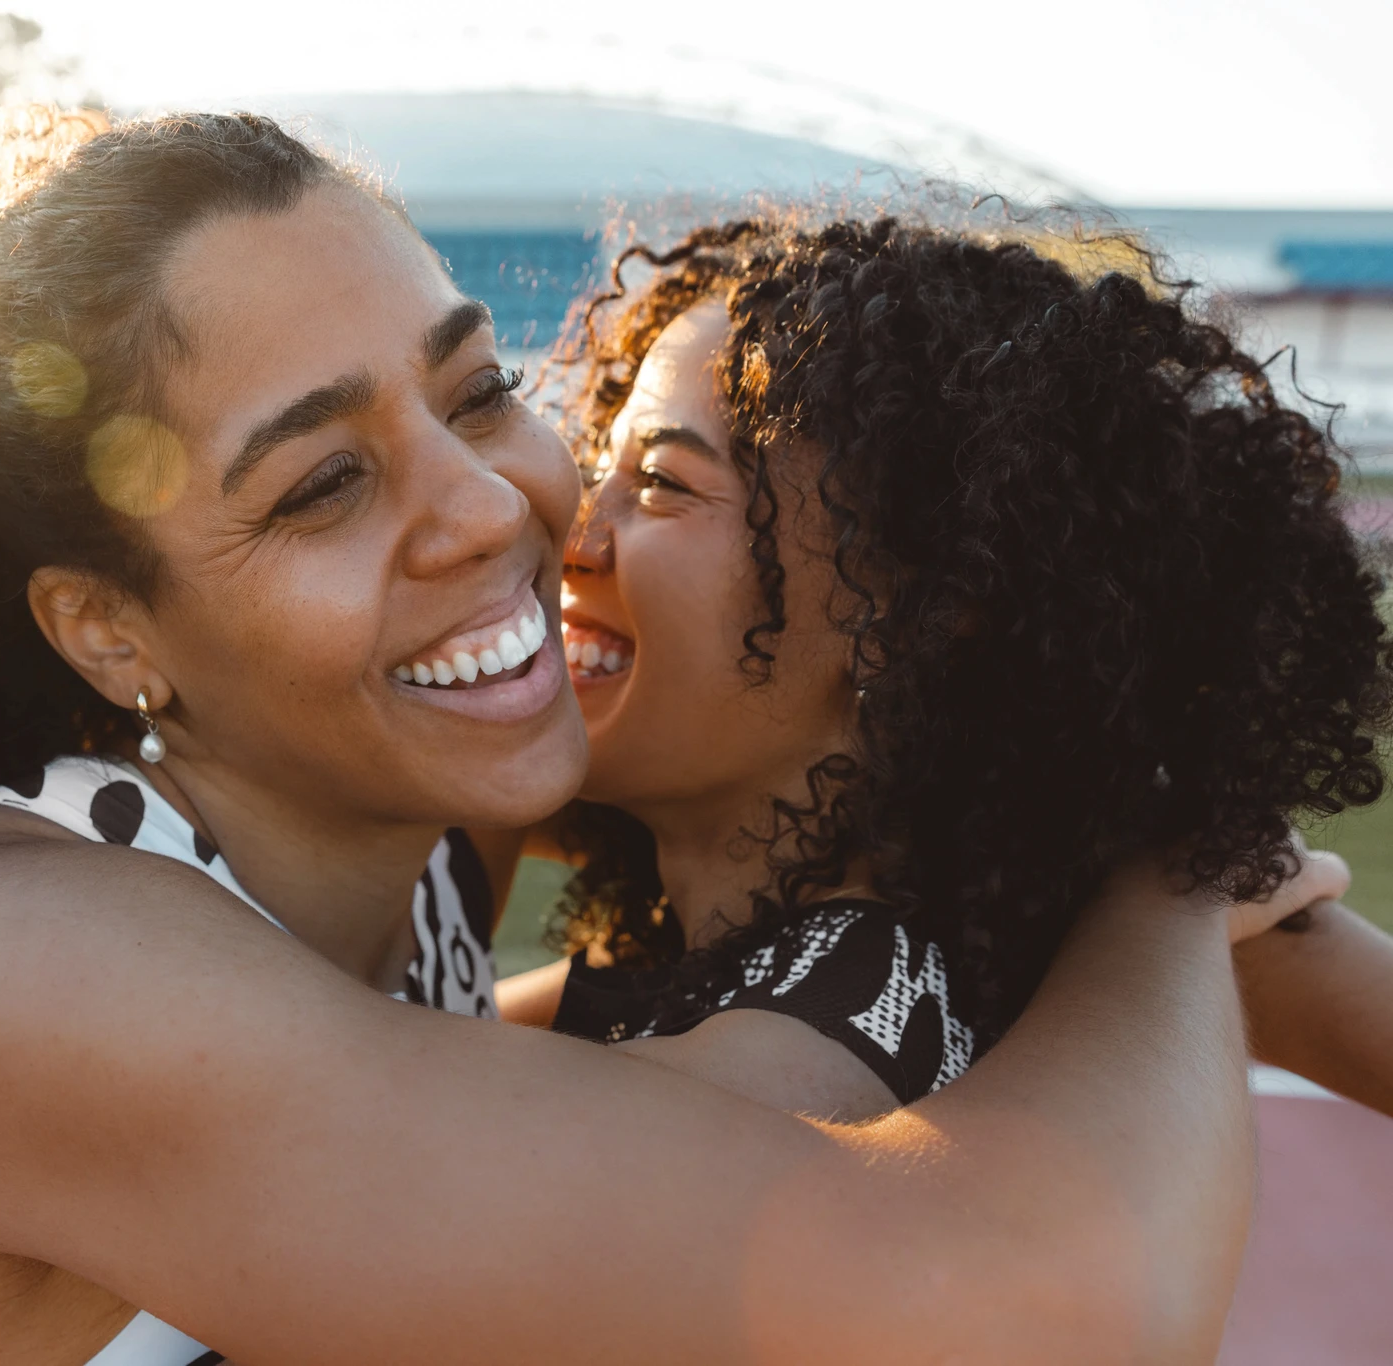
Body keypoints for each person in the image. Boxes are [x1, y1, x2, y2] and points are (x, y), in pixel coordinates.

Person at [0, 109, 1350, 1366]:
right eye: (322, 481)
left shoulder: (413, 805)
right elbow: (1017, 1310)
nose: (493, 507)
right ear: (107, 628)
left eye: (476, 387)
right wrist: (1177, 884)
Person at [493, 214, 1393, 1130]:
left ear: (909, 619)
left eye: (663, 484)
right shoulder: (954, 938)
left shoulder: (788, 1071)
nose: (572, 535)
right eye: (599, 464)